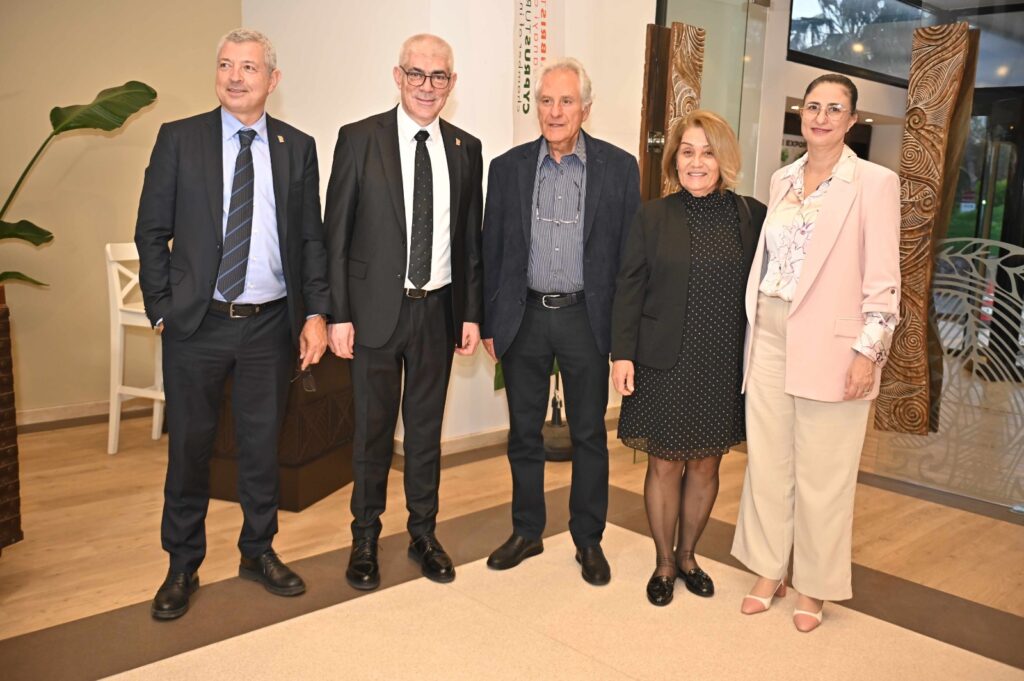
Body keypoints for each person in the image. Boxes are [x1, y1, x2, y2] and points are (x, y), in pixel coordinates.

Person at [135, 28, 329, 620]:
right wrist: (162, 307)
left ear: (273, 79)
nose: (235, 76)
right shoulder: (180, 139)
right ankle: (182, 564)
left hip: (269, 326)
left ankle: (258, 551)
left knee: (261, 448)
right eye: (225, 65)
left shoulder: (296, 146)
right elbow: (151, 231)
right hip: (197, 325)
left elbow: (310, 240)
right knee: (189, 449)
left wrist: (316, 313)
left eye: (248, 67)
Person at [731, 74, 901, 632]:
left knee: (825, 474)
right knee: (768, 463)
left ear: (852, 120)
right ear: (800, 114)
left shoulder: (874, 183)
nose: (821, 117)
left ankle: (814, 585)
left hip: (834, 343)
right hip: (770, 331)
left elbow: (884, 280)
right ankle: (767, 569)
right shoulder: (782, 178)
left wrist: (868, 353)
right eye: (812, 107)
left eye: (834, 109)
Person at [323, 34, 483, 591]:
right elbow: (336, 235)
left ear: (451, 83)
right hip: (371, 315)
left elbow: (470, 242)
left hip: (437, 314)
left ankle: (423, 534)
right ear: (398, 76)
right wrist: (337, 314)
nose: (426, 86)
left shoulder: (466, 148)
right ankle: (365, 538)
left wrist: (471, 313)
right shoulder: (358, 139)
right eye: (416, 73)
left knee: (424, 433)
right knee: (371, 434)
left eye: (438, 76)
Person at [482, 58, 641, 585]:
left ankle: (588, 540)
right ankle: (526, 531)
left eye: (566, 101)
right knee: (523, 433)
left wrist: (624, 339)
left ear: (586, 109)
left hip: (585, 319)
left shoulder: (619, 169)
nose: (554, 111)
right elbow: (492, 249)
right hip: (524, 317)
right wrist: (490, 321)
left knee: (590, 434)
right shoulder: (506, 169)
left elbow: (629, 262)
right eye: (546, 101)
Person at [611, 111, 766, 606]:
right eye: (687, 151)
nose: (697, 162)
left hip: (722, 361)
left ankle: (688, 556)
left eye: (708, 152)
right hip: (663, 361)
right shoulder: (653, 216)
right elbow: (629, 288)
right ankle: (663, 563)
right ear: (674, 159)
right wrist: (622, 355)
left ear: (724, 159)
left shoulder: (751, 216)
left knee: (705, 465)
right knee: (663, 464)